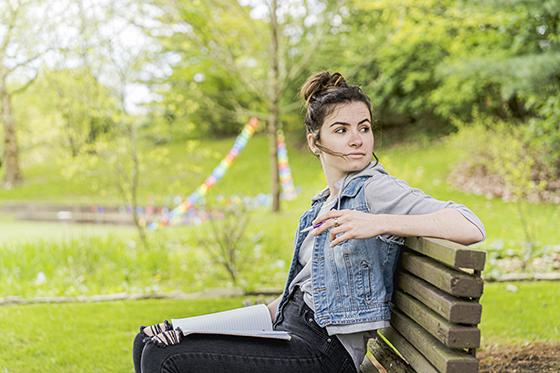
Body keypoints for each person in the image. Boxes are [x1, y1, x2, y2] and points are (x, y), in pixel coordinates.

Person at [132, 71, 486, 373]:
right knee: (150, 339)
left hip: (324, 351)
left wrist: (379, 223)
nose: (356, 139)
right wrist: (188, 326)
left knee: (165, 357)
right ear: (315, 142)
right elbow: (293, 298)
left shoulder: (375, 190)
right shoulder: (321, 204)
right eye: (341, 129)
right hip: (290, 325)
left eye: (363, 127)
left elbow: (470, 225)